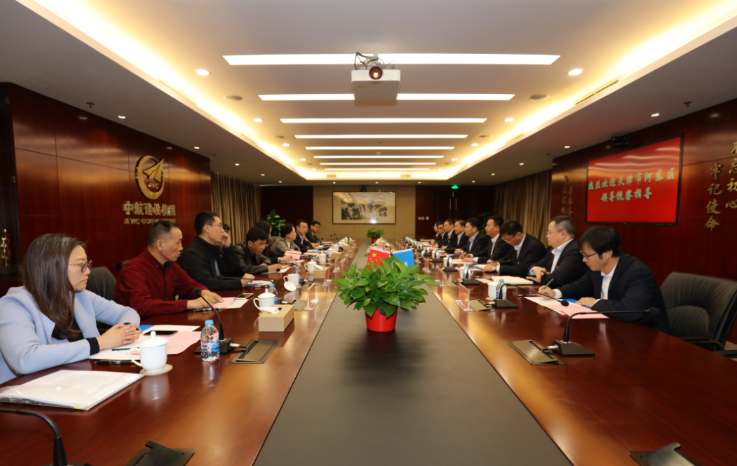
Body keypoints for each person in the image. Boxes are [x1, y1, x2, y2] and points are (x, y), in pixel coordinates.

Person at [0, 234, 142, 384]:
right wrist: (100, 342)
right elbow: (25, 359)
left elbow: (127, 312)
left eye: (87, 264)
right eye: (80, 265)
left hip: (80, 379)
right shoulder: (13, 306)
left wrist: (125, 332)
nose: (87, 271)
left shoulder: (79, 295)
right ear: (53, 267)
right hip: (30, 389)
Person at [539, 227, 669, 334]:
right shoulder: (596, 268)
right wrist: (555, 292)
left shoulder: (638, 273)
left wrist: (596, 303)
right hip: (611, 327)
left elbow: (631, 311)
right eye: (583, 255)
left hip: (644, 335)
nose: (584, 260)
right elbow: (579, 286)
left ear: (607, 253)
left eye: (587, 256)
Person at [114, 221, 224, 319]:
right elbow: (143, 307)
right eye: (178, 242)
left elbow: (190, 285)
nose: (181, 248)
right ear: (160, 244)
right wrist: (189, 304)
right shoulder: (132, 270)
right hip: (135, 328)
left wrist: (204, 292)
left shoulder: (170, 265)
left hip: (162, 320)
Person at [179, 211, 254, 290]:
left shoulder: (215, 248)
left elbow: (234, 272)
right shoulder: (192, 253)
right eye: (220, 226)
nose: (223, 230)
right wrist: (239, 283)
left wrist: (228, 247)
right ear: (207, 228)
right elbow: (206, 282)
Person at [528, 216, 588, 287]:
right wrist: (535, 269)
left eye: (549, 233)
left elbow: (557, 278)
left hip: (568, 293)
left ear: (563, 234)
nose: (547, 236)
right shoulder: (553, 250)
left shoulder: (575, 250)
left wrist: (540, 278)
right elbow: (534, 265)